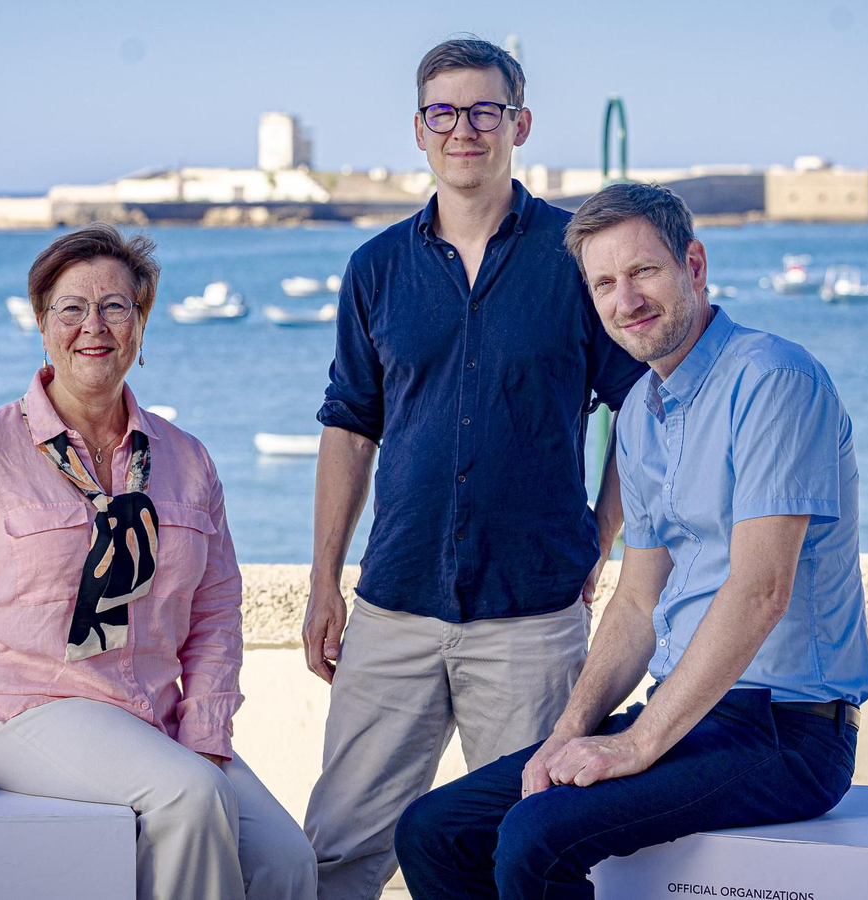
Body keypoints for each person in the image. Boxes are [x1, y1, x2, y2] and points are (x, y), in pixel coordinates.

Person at [393, 182, 868, 900]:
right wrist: (570, 732)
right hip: (685, 714)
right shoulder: (641, 415)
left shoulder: (773, 380)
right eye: (604, 284)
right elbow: (637, 600)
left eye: (643, 271)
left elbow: (761, 590)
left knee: (536, 836)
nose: (626, 300)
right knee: (435, 829)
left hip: (787, 732)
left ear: (693, 265)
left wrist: (638, 743)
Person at [303, 38, 649, 899]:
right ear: (419, 129)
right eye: (444, 113)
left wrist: (599, 536)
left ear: (518, 124)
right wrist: (322, 581)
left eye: (485, 110)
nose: (464, 129)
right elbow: (350, 425)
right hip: (393, 607)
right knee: (339, 850)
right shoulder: (375, 268)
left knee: (523, 846)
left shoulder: (576, 256)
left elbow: (638, 409)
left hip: (531, 614)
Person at [0, 223, 315, 900]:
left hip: (151, 716)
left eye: (116, 306)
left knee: (287, 858)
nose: (95, 325)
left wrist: (206, 728)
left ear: (140, 324)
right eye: (72, 307)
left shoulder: (187, 459)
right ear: (42, 325)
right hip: (22, 705)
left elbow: (216, 615)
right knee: (189, 796)